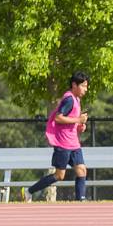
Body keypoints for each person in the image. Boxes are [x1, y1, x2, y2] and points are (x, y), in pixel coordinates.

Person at [22, 72, 90, 202]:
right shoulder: (69, 99)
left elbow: (71, 121)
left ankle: (81, 200)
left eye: (86, 86)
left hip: (74, 143)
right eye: (83, 86)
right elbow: (58, 118)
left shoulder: (77, 99)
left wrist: (79, 126)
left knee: (82, 170)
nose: (85, 89)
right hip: (63, 143)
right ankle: (29, 191)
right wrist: (78, 119)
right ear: (74, 85)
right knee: (59, 175)